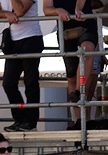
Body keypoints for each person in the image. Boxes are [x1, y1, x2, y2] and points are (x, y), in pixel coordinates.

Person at [43, 0, 99, 128]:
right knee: (71, 76)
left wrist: (77, 9)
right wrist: (58, 11)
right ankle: (80, 120)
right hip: (66, 31)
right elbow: (46, 9)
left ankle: (80, 90)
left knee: (87, 50)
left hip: (86, 25)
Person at [0, 0, 44, 132]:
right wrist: (7, 13)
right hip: (12, 40)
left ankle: (31, 122)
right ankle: (19, 119)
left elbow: (20, 10)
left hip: (31, 37)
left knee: (30, 82)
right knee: (8, 83)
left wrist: (10, 12)